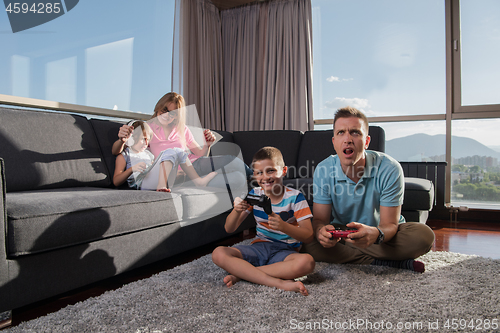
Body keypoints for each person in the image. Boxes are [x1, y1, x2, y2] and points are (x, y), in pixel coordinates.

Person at [302, 107, 435, 272]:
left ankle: (357, 257)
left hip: (381, 236)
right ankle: (385, 262)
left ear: (366, 142)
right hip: (343, 233)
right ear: (334, 141)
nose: (348, 139)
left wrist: (376, 234)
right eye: (341, 132)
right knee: (304, 240)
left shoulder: (389, 168)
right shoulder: (323, 169)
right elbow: (320, 221)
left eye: (355, 132)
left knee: (423, 237)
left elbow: (390, 224)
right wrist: (321, 232)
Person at [211, 147, 315, 296]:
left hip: (286, 251)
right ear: (254, 175)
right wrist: (237, 210)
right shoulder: (254, 194)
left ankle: (242, 274)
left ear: (284, 170)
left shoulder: (295, 197)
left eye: (270, 170)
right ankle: (277, 282)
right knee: (218, 253)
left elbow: (309, 235)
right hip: (260, 246)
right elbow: (229, 228)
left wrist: (284, 227)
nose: (265, 177)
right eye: (259, 173)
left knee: (307, 262)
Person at [112, 92, 250, 190]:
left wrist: (207, 145)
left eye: (172, 113)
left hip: (196, 166)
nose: (166, 115)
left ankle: (259, 176)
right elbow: (121, 150)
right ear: (158, 107)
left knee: (233, 162)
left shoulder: (182, 129)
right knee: (237, 179)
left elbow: (202, 155)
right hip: (176, 177)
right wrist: (121, 140)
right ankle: (262, 177)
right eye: (164, 110)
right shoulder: (147, 128)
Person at [112, 120, 217, 191]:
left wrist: (173, 172)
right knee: (169, 152)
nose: (146, 142)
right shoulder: (125, 155)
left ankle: (198, 181)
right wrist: (131, 169)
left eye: (147, 139)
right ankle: (161, 186)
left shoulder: (148, 154)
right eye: (142, 139)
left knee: (178, 151)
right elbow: (116, 181)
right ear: (132, 138)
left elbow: (157, 169)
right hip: (141, 183)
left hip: (151, 179)